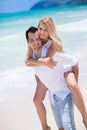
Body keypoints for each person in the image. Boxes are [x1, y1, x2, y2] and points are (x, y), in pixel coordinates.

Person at [25, 17, 87, 130]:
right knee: (37, 100)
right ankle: (45, 127)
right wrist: (30, 62)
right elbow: (28, 60)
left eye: (46, 30)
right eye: (40, 29)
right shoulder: (35, 42)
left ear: (51, 31)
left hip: (66, 69)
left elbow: (47, 60)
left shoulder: (52, 44)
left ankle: (85, 116)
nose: (42, 32)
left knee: (73, 86)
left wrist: (75, 79)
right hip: (53, 80)